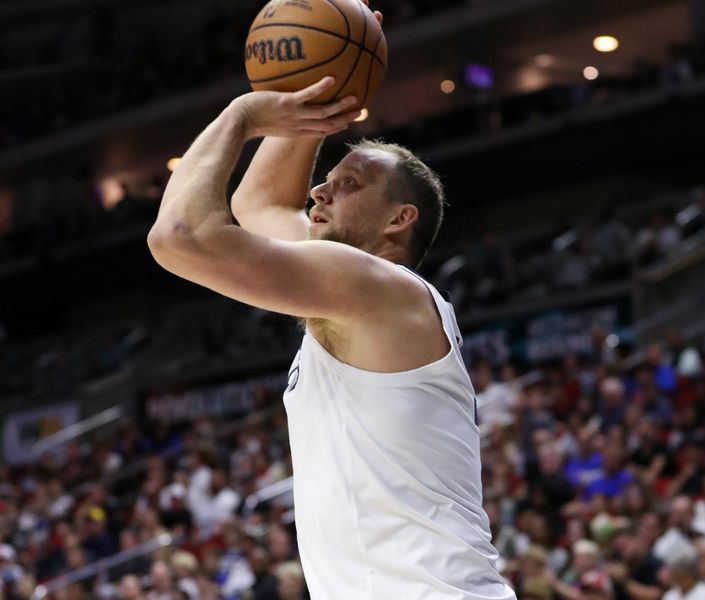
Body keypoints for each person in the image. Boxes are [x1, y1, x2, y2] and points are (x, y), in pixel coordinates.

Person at [146, 4, 516, 598]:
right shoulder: (356, 292)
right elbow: (260, 204)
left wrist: (244, 114)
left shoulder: (376, 286)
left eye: (349, 183)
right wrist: (316, 103)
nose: (319, 188)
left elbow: (177, 237)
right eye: (327, 179)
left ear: (400, 219)